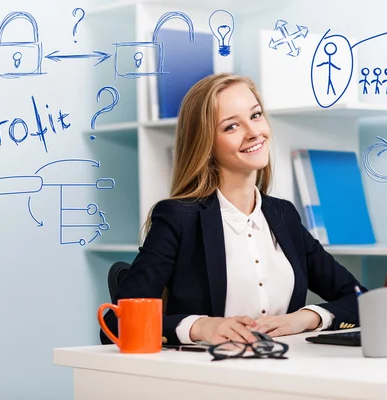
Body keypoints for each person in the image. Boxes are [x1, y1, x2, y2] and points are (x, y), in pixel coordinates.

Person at [100, 73, 367, 346]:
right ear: (205, 142)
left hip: (287, 369)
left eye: (256, 115)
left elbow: (362, 300)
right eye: (231, 127)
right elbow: (116, 322)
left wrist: (305, 318)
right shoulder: (178, 218)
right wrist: (201, 326)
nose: (254, 133)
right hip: (211, 377)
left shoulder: (283, 215)